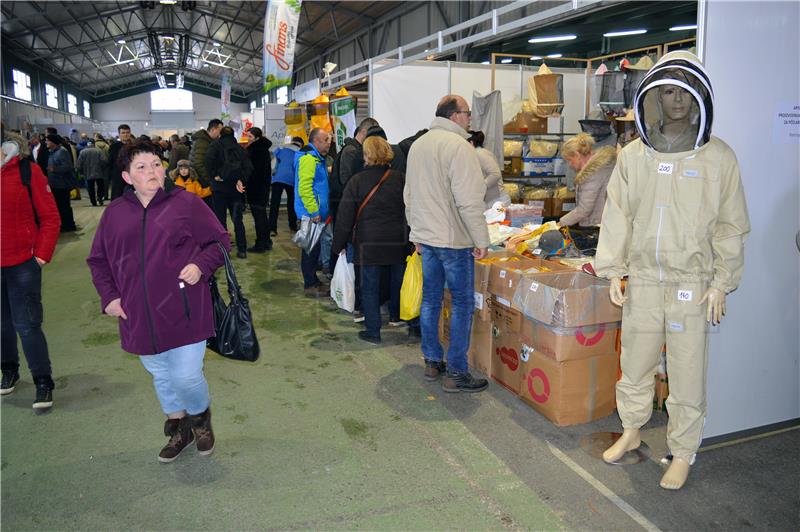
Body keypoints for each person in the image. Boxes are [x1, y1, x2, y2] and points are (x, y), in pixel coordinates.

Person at [595, 51, 751, 490]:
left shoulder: (719, 158)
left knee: (685, 372)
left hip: (691, 284)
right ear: (654, 97)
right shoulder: (632, 156)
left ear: (699, 95)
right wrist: (613, 270)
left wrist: (723, 280)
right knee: (636, 364)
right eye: (667, 89)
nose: (677, 99)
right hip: (643, 280)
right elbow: (619, 215)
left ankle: (682, 451)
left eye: (685, 89)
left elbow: (729, 225)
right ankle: (631, 429)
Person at [87, 141, 231, 464]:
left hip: (184, 308)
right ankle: (180, 426)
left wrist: (201, 265)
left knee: (186, 376)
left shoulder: (186, 203)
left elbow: (221, 241)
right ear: (127, 177)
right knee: (161, 375)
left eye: (155, 164)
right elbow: (98, 260)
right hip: (137, 314)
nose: (152, 171)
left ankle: (199, 418)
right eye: (142, 167)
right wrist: (109, 297)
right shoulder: (114, 214)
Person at [404, 94, 490, 393]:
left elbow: (409, 195)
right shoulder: (458, 147)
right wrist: (481, 239)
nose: (470, 119)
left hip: (427, 238)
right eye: (467, 113)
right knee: (462, 303)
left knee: (431, 300)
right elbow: (469, 201)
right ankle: (456, 371)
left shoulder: (419, 145)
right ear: (454, 116)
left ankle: (432, 361)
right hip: (453, 240)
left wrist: (415, 234)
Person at [0, 133, 61, 412]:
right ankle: (9, 369)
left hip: (23, 262)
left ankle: (42, 380)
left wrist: (41, 255)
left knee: (26, 325)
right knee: (1, 324)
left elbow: (50, 216)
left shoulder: (27, 170)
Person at [332, 136, 410, 344]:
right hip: (398, 240)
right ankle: (396, 316)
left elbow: (345, 216)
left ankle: (373, 330)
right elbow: (412, 209)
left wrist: (338, 244)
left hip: (369, 243)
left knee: (370, 287)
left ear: (366, 155)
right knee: (398, 282)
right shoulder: (401, 178)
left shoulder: (356, 181)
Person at [295, 128, 332, 296]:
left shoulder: (316, 158)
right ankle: (310, 284)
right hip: (311, 214)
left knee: (313, 249)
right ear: (315, 141)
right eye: (326, 140)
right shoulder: (309, 159)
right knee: (310, 250)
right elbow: (305, 188)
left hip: (316, 213)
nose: (329, 143)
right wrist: (314, 211)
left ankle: (313, 280)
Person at [205, 126, 252, 258]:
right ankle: (242, 249)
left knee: (220, 221)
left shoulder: (214, 146)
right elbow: (248, 167)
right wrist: (240, 180)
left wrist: (214, 176)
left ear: (221, 134)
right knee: (238, 219)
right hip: (235, 189)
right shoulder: (238, 148)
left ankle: (223, 250)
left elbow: (207, 162)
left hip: (219, 188)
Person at [557, 132, 616, 236]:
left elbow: (584, 209)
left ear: (577, 155)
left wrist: (559, 224)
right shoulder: (600, 168)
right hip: (603, 224)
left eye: (570, 160)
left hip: (596, 227)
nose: (570, 165)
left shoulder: (592, 174)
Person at [244, 127, 273, 252]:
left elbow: (253, 171)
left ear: (257, 137)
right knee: (261, 215)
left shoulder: (255, 150)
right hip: (263, 187)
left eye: (250, 136)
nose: (248, 139)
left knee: (259, 216)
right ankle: (266, 241)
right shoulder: (264, 149)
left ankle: (261, 244)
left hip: (256, 188)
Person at [467, 130, 510, 208]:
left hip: (497, 201)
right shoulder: (476, 154)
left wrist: (481, 186)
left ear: (471, 143)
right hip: (491, 201)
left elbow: (495, 174)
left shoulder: (480, 153)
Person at [45, 134, 77, 232]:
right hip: (55, 184)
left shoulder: (62, 152)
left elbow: (68, 166)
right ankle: (64, 224)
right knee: (59, 205)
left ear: (53, 142)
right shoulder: (52, 152)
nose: (46, 142)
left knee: (64, 206)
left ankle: (69, 225)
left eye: (48, 141)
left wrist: (54, 169)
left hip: (62, 184)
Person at [269, 137, 301, 236]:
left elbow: (272, 158)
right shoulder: (299, 153)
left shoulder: (281, 149)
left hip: (277, 178)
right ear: (300, 145)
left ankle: (272, 229)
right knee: (291, 204)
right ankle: (293, 227)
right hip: (291, 179)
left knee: (274, 205)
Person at [190, 119, 223, 194]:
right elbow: (198, 163)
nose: (220, 134)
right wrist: (209, 180)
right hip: (201, 181)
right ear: (213, 129)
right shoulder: (203, 142)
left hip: (201, 179)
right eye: (220, 131)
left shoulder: (208, 141)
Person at [77, 140, 108, 207]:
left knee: (90, 188)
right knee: (100, 186)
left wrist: (81, 172)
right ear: (94, 144)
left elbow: (79, 164)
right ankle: (100, 198)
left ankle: (93, 202)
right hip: (99, 172)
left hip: (87, 172)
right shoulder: (99, 151)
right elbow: (103, 161)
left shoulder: (82, 152)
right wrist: (103, 169)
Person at [109, 124, 133, 200]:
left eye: (127, 132)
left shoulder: (134, 147)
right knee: (117, 199)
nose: (125, 134)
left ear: (130, 133)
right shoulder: (114, 147)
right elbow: (110, 163)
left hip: (132, 177)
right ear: (119, 134)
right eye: (123, 133)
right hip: (118, 178)